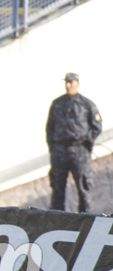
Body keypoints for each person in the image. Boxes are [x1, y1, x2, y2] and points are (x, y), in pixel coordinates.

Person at [46, 72, 103, 213]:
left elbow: (96, 126)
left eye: (71, 82)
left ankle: (85, 219)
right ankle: (57, 220)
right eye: (66, 82)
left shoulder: (86, 104)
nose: (68, 85)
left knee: (84, 188)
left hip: (79, 151)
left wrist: (86, 145)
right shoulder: (57, 104)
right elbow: (50, 128)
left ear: (77, 83)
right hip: (60, 151)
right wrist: (53, 148)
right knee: (58, 188)